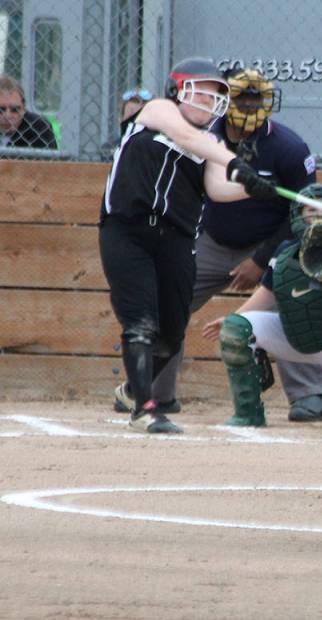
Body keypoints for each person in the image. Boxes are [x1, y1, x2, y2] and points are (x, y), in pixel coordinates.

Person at [121, 67, 322, 423]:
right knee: (166, 300)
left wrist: (262, 259)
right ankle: (154, 392)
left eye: (256, 98)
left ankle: (311, 392)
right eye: (241, 98)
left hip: (272, 243)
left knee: (293, 295)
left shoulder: (289, 148)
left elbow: (301, 216)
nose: (249, 106)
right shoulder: (204, 135)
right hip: (213, 240)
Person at [99, 57, 278, 434]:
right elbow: (188, 138)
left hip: (176, 240)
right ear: (178, 91)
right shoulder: (157, 111)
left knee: (171, 332)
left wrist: (257, 188)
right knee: (141, 322)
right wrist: (237, 164)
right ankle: (145, 409)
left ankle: (132, 390)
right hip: (128, 231)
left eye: (215, 97)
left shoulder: (212, 144)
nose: (209, 102)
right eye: (202, 93)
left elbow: (217, 188)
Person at [200, 183, 322, 431]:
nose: (318, 214)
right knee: (236, 328)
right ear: (298, 215)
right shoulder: (285, 251)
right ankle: (248, 413)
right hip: (291, 335)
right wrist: (233, 318)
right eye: (310, 209)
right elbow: (266, 294)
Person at [0, 75, 57, 149]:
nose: (7, 116)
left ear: (24, 109)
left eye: (15, 110)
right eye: (1, 109)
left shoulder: (39, 127)